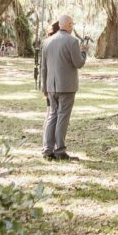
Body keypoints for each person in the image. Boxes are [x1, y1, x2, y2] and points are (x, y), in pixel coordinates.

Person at [40, 13, 89, 161]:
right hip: (66, 86)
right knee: (62, 117)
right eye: (72, 24)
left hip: (51, 86)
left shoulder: (47, 42)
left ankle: (48, 150)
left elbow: (43, 68)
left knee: (52, 116)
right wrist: (84, 52)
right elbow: (79, 63)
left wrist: (44, 88)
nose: (72, 27)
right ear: (67, 25)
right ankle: (60, 150)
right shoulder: (72, 41)